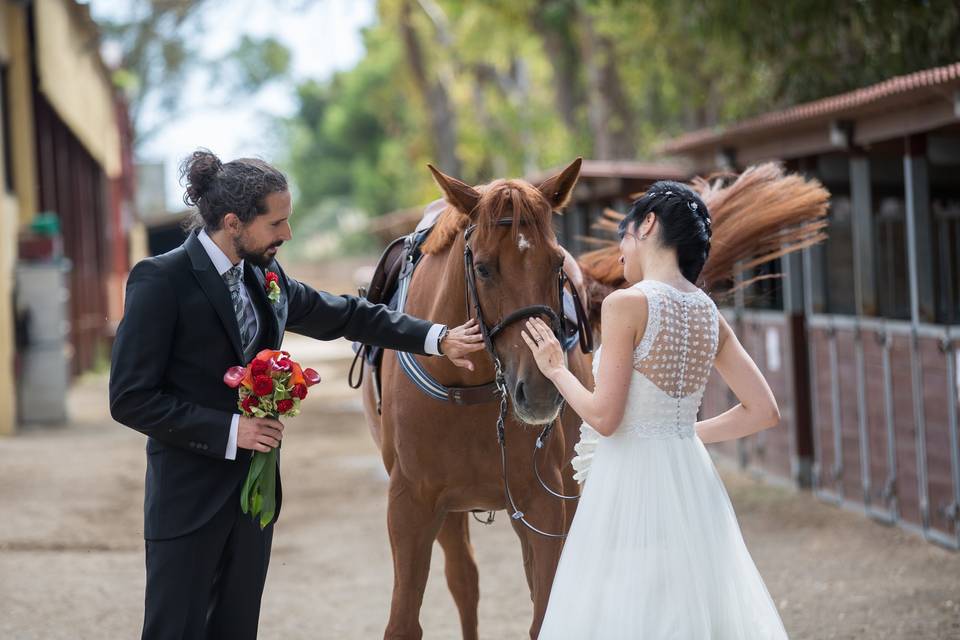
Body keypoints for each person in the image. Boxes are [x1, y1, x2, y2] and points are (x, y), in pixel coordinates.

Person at [109, 149, 484, 639]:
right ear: (232, 222)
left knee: (237, 628)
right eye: (277, 223)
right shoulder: (160, 280)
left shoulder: (266, 276)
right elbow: (131, 397)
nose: (287, 234)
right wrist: (231, 430)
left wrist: (438, 337)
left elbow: (349, 315)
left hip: (255, 498)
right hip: (187, 499)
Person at [522, 181, 789, 639]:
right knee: (689, 601)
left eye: (623, 235)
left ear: (647, 225)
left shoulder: (628, 304)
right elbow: (763, 410)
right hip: (691, 477)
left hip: (630, 481)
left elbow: (605, 419)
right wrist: (678, 436)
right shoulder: (708, 311)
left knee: (628, 605)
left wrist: (555, 371)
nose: (620, 250)